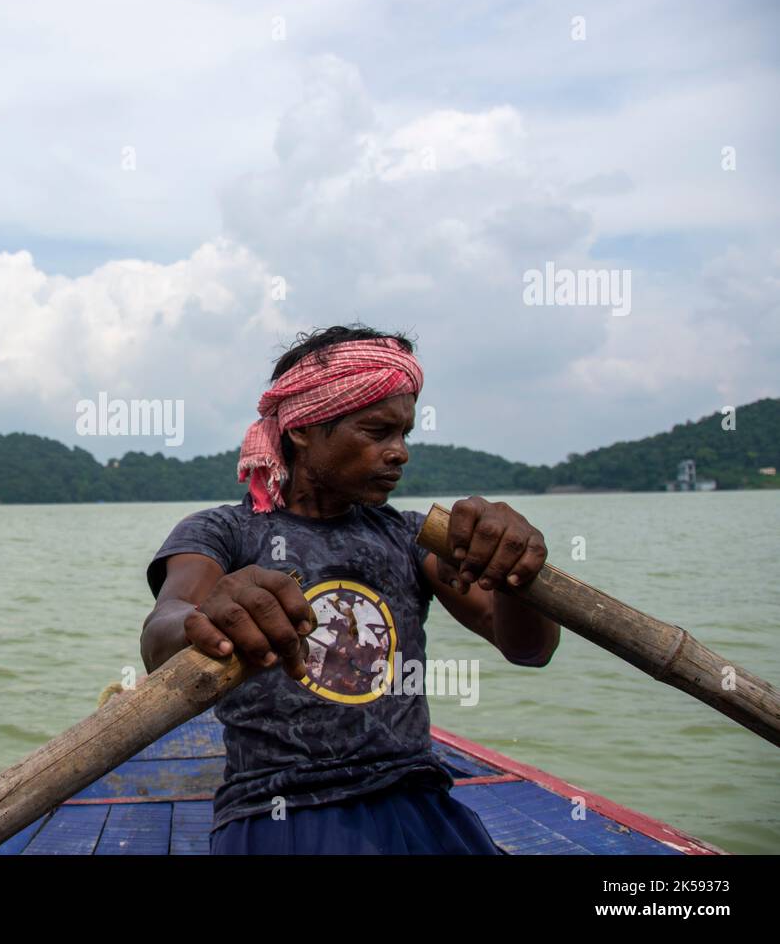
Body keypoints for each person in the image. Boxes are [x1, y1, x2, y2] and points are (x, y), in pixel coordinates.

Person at [141, 324, 560, 854]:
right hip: (280, 807)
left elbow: (528, 648)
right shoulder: (225, 532)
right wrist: (207, 615)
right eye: (377, 431)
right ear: (303, 430)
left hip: (415, 797)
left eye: (405, 434)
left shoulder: (409, 536)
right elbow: (161, 634)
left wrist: (516, 571)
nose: (399, 453)